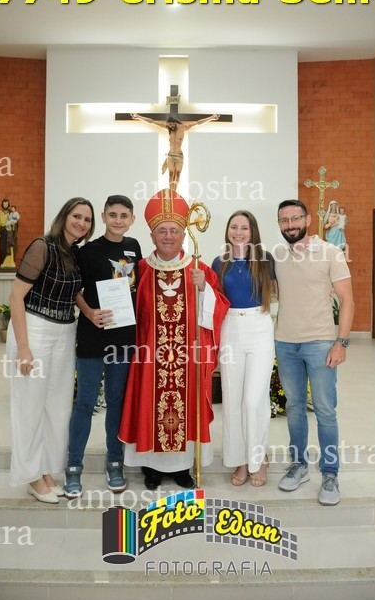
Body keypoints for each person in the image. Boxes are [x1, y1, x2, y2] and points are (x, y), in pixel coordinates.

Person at [119, 188, 229, 490]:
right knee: (150, 405)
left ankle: (183, 468)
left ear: (184, 234)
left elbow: (220, 307)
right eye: (162, 231)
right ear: (152, 236)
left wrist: (204, 288)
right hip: (150, 359)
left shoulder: (199, 269)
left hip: (188, 360)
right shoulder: (140, 270)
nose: (168, 236)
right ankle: (151, 468)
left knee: (186, 408)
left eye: (174, 231)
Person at [6, 197, 95, 504]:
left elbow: (74, 293)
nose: (81, 223)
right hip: (35, 329)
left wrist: (90, 312)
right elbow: (16, 297)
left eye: (87, 219)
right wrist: (24, 348)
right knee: (30, 406)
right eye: (77, 216)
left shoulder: (75, 253)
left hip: (65, 332)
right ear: (64, 216)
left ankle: (45, 470)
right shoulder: (42, 247)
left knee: (57, 408)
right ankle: (31, 476)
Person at [274, 199, 354, 506]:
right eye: (284, 220)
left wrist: (341, 342)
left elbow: (347, 300)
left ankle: (330, 474)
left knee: (325, 411)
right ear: (279, 224)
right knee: (294, 408)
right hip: (285, 343)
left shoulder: (330, 252)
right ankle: (299, 466)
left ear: (307, 220)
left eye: (295, 218)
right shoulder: (278, 255)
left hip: (320, 343)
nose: (290, 225)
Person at [63, 195, 142, 498]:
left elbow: (137, 288)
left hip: (123, 339)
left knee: (116, 402)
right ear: (104, 216)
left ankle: (115, 462)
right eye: (113, 215)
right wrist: (88, 312)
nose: (118, 220)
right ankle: (74, 465)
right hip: (93, 336)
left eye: (124, 215)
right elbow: (75, 290)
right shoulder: (87, 250)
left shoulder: (134, 247)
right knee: (84, 402)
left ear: (131, 219)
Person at [212, 211, 276, 487]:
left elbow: (281, 292)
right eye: (234, 227)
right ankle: (239, 459)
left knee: (253, 399)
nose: (238, 232)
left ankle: (258, 459)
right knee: (233, 398)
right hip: (231, 329)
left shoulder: (266, 260)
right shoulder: (220, 263)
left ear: (253, 232)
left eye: (244, 228)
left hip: (259, 327)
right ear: (227, 231)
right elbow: (214, 301)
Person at [131, 113, 220, 191]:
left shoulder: (183, 127)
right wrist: (138, 117)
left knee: (177, 173)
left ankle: (174, 191)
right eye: (169, 125)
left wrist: (211, 117)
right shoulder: (168, 127)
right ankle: (171, 191)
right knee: (170, 174)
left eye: (172, 125)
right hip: (170, 155)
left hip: (179, 155)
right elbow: (152, 121)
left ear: (175, 122)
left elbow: (198, 122)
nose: (170, 127)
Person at [0, 198, 13, 267]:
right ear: (2, 204)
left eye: (6, 204)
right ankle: (2, 262)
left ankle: (8, 263)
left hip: (9, 232)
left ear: (8, 204)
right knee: (1, 248)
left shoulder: (11, 213)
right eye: (4, 204)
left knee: (9, 247)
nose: (5, 205)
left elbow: (15, 222)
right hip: (2, 232)